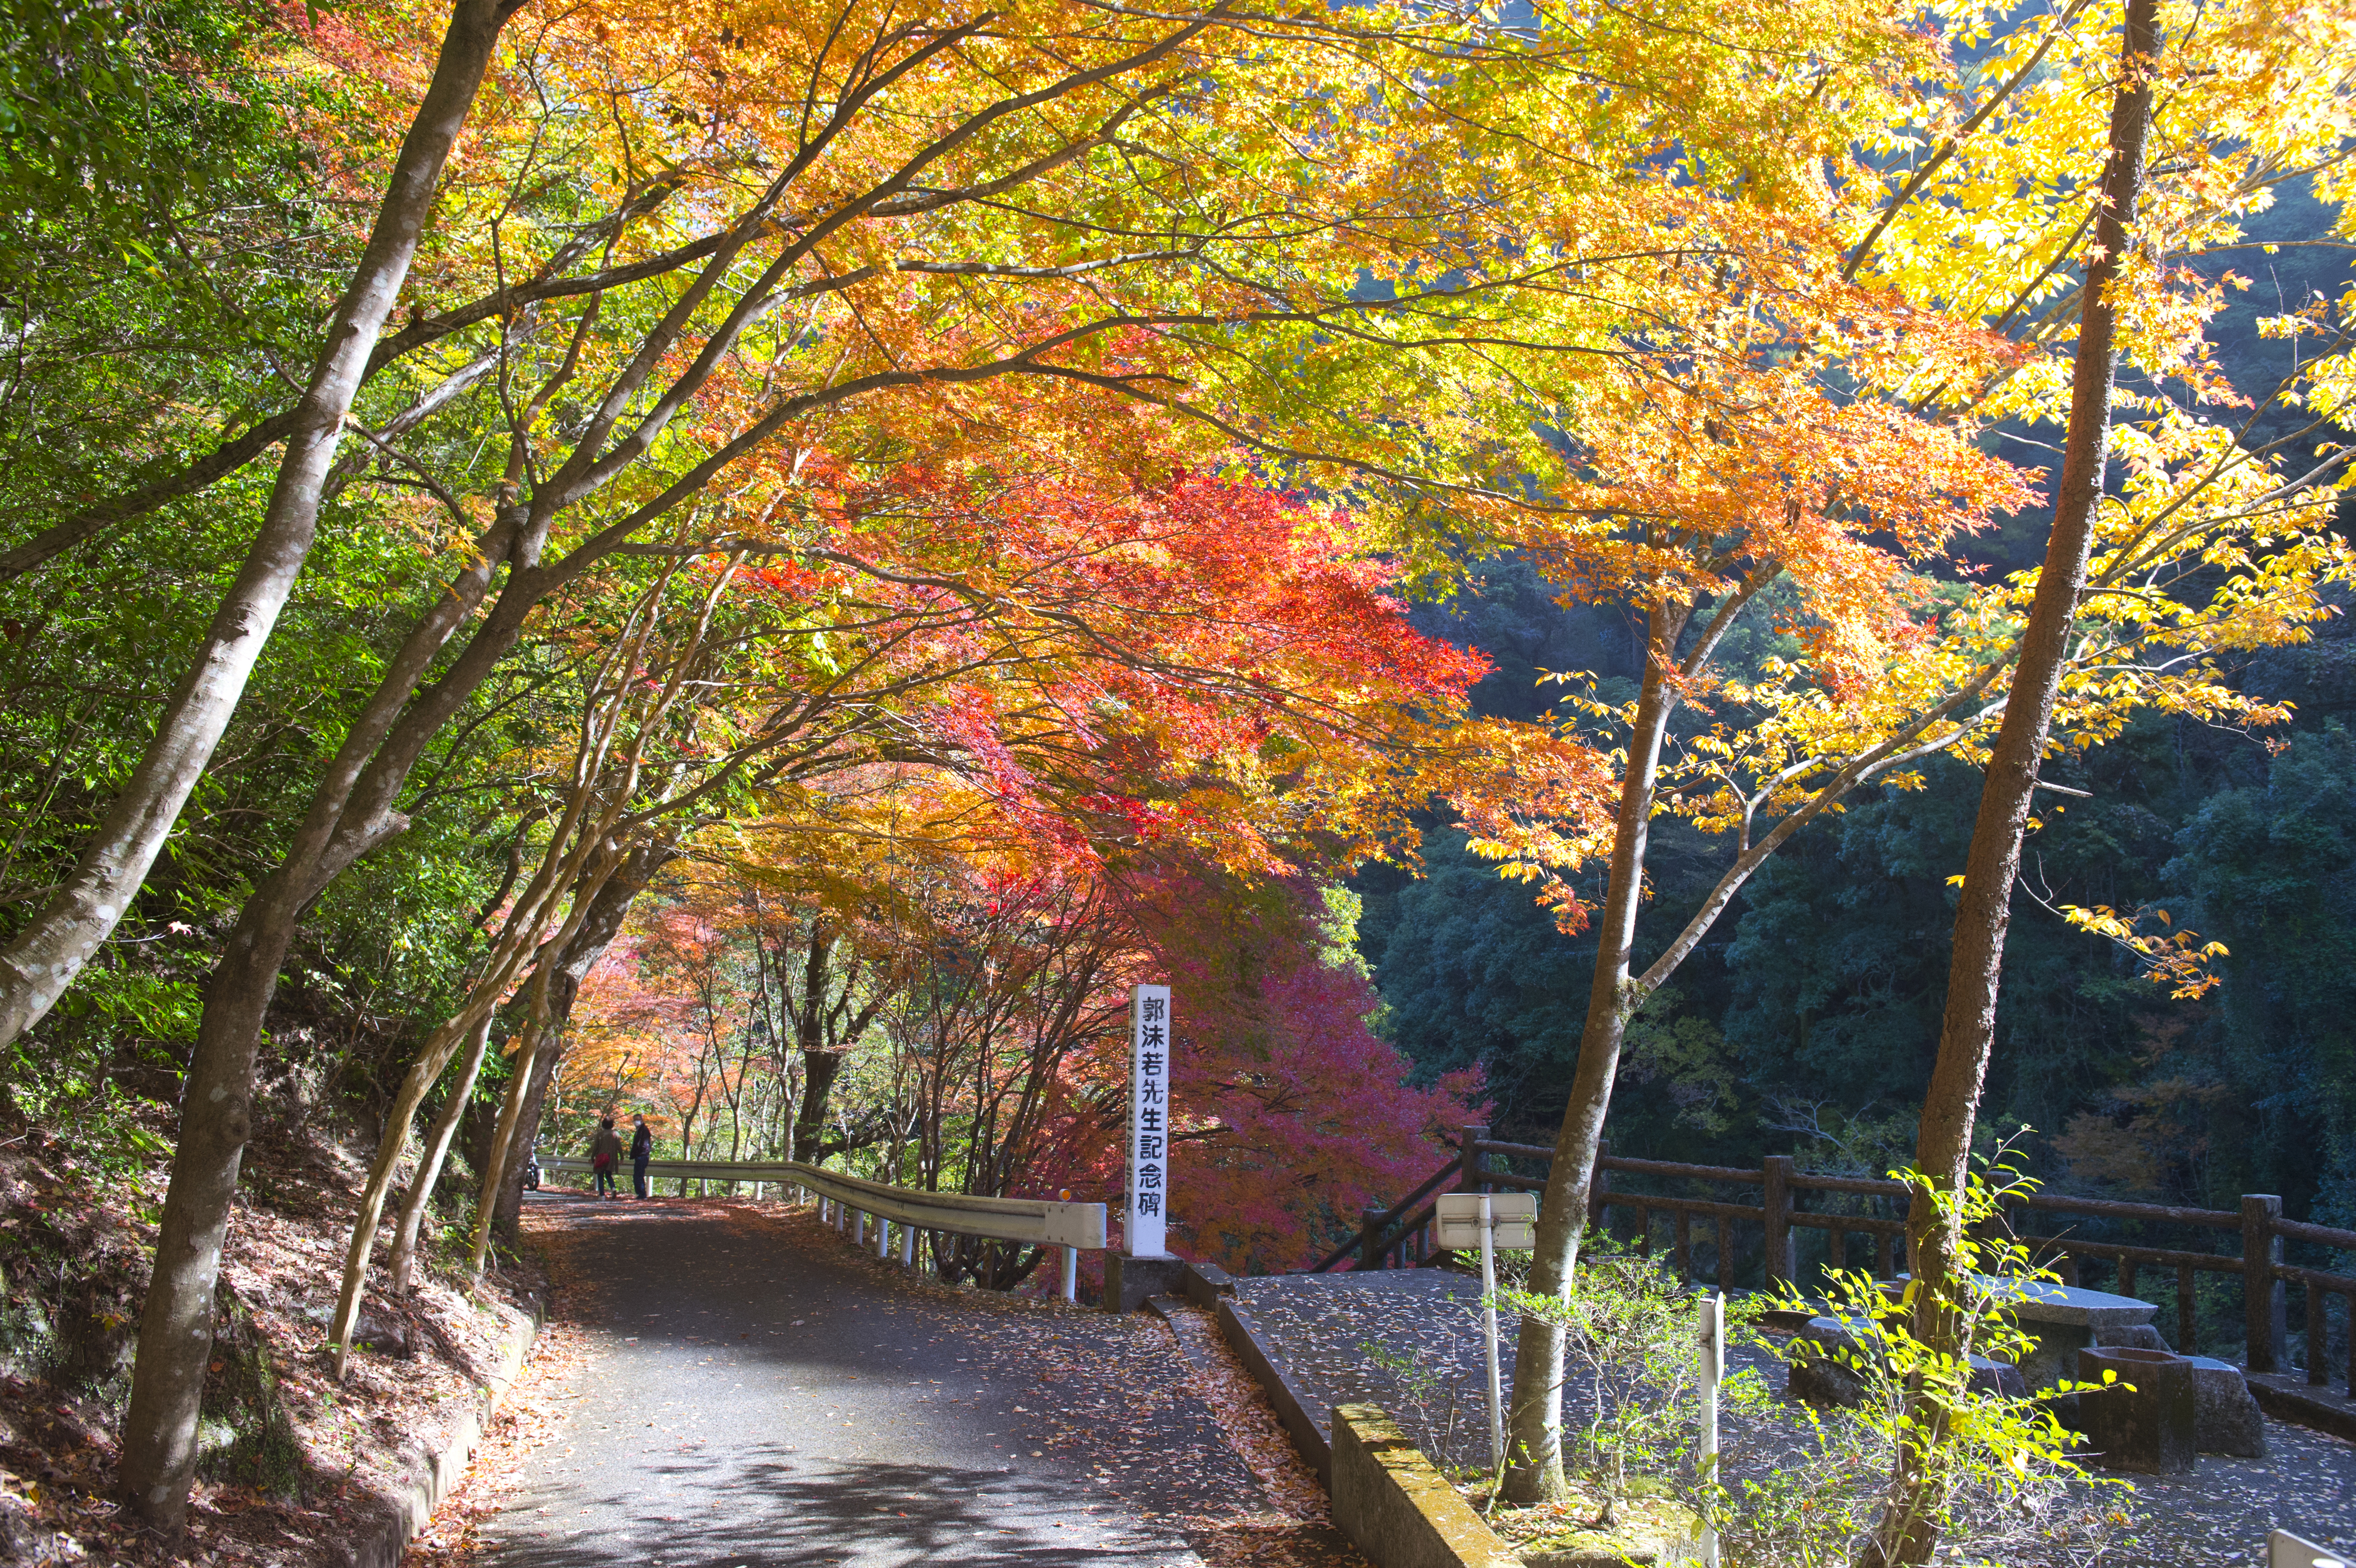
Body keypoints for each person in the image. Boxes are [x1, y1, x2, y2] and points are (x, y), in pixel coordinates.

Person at [590, 1116, 622, 1198]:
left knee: (600, 1176)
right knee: (608, 1175)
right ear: (612, 1125)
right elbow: (619, 1147)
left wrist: (592, 1157)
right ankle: (613, 1188)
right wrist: (622, 1157)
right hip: (611, 1158)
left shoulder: (600, 1134)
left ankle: (602, 1195)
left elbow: (596, 1147)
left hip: (601, 1157)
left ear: (603, 1125)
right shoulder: (616, 1134)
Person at [630, 1113, 653, 1199]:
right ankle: (641, 1194)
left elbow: (643, 1144)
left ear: (641, 1120)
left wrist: (639, 1152)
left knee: (638, 1175)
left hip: (642, 1156)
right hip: (641, 1155)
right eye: (634, 1120)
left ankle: (642, 1194)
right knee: (638, 1175)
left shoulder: (644, 1130)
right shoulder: (640, 1130)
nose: (636, 1122)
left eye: (637, 1120)